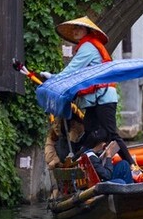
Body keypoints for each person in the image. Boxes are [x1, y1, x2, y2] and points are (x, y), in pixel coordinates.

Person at [49, 17, 133, 167]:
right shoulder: (85, 47)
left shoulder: (88, 47)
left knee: (111, 134)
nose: (75, 31)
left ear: (87, 31)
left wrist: (55, 79)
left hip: (103, 98)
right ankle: (80, 163)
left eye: (79, 28)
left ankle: (132, 165)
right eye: (74, 29)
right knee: (90, 132)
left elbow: (72, 70)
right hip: (95, 100)